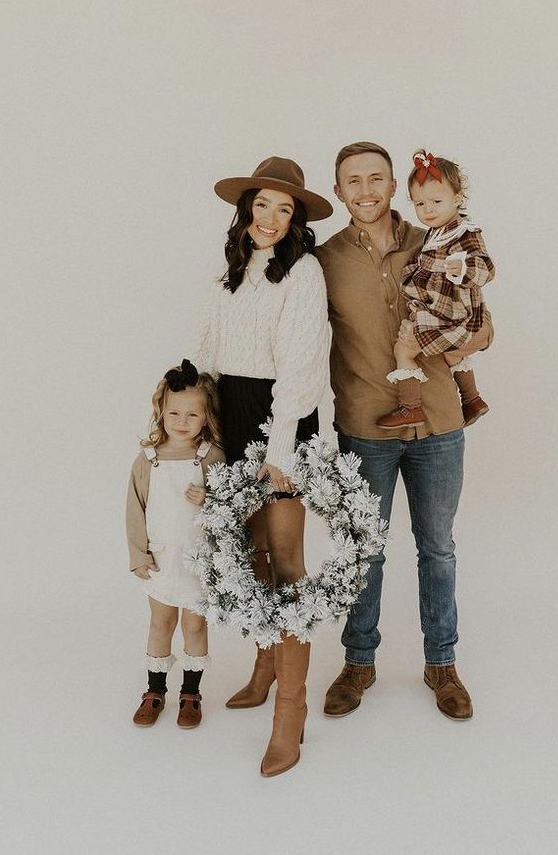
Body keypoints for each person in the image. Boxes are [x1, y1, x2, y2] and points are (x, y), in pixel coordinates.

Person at [316, 141, 489, 721]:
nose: (366, 190)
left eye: (376, 179)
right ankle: (358, 663)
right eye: (353, 181)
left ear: (395, 187)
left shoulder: (435, 238)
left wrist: (464, 341)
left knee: (437, 548)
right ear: (339, 192)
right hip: (365, 426)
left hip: (439, 423)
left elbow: (484, 325)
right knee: (363, 550)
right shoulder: (322, 260)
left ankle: (442, 663)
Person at [193, 156, 332, 776]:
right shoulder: (228, 273)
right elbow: (208, 351)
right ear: (246, 210)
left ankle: (291, 711)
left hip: (283, 418)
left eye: (285, 208)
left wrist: (278, 452)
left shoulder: (303, 272)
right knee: (250, 554)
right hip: (233, 408)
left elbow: (301, 367)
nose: (271, 217)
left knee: (288, 559)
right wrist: (201, 423)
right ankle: (264, 665)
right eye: (262, 205)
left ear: (295, 217)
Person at [126, 359, 225, 728]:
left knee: (195, 627)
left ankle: (191, 693)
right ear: (161, 412)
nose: (182, 422)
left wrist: (210, 499)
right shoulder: (147, 460)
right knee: (161, 621)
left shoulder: (210, 456)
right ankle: (154, 691)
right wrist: (138, 554)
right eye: (174, 413)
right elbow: (134, 509)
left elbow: (230, 507)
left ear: (205, 417)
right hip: (162, 559)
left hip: (198, 560)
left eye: (192, 415)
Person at [376, 149, 495, 429]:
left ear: (457, 198)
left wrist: (464, 269)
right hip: (445, 309)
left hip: (454, 313)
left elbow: (486, 268)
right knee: (453, 353)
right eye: (419, 204)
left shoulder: (464, 232)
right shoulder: (435, 232)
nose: (428, 210)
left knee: (403, 350)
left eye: (436, 201)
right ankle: (472, 399)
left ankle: (410, 407)